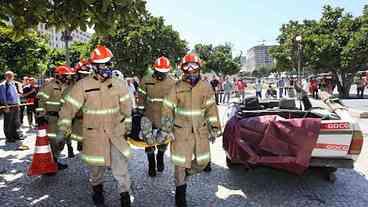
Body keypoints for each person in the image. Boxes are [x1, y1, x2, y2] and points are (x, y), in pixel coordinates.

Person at [58, 45, 133, 206]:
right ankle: (97, 192)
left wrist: (127, 127)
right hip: (94, 135)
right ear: (93, 66)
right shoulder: (83, 85)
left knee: (121, 168)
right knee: (96, 169)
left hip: (115, 134)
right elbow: (69, 107)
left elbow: (127, 109)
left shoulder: (120, 84)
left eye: (108, 63)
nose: (105, 68)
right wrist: (64, 126)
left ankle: (125, 196)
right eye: (101, 64)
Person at [161, 53, 221, 207]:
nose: (191, 71)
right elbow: (167, 108)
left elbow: (211, 109)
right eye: (188, 68)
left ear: (199, 69)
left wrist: (214, 128)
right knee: (180, 165)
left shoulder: (206, 87)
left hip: (200, 131)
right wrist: (168, 129)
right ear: (183, 69)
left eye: (194, 68)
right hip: (181, 132)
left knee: (203, 161)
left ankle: (188, 172)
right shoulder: (177, 87)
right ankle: (180, 198)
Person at [137, 56, 176, 177]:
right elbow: (141, 97)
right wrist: (139, 113)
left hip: (165, 118)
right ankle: (151, 165)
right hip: (149, 116)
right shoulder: (145, 80)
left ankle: (160, 157)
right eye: (159, 72)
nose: (161, 75)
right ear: (154, 69)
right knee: (148, 142)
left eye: (164, 72)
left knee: (163, 141)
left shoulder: (173, 82)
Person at [36, 65, 75, 171]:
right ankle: (50, 165)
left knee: (61, 142)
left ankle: (55, 160)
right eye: (66, 75)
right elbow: (41, 100)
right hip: (51, 118)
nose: (68, 77)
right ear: (59, 75)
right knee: (53, 142)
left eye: (69, 76)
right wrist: (40, 116)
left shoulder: (67, 86)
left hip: (63, 119)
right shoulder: (50, 85)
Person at [0, 71, 22, 143]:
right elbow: (3, 97)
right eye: (9, 76)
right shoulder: (3, 85)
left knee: (15, 122)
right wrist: (6, 106)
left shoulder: (13, 84)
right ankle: (9, 138)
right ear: (5, 76)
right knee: (8, 122)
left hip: (15, 105)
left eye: (11, 76)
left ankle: (15, 136)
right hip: (8, 105)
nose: (10, 77)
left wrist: (18, 104)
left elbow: (16, 95)